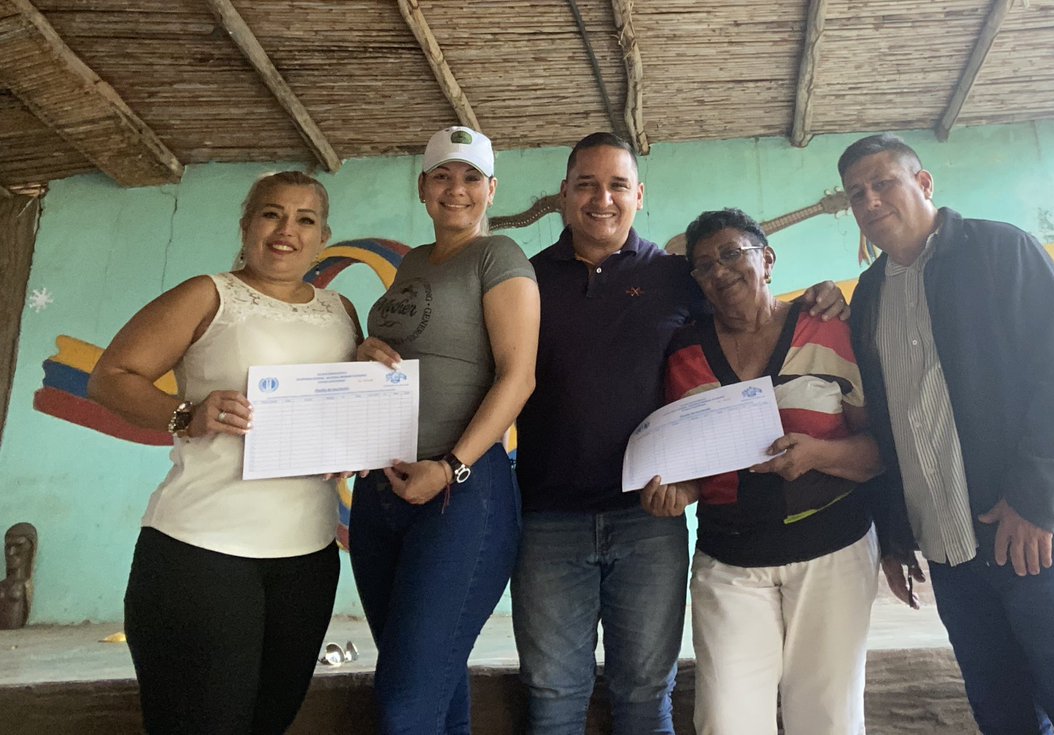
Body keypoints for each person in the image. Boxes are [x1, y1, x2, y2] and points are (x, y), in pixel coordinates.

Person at [511, 132, 849, 735]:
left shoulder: (677, 278)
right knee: (552, 695)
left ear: (639, 195)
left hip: (650, 520)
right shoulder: (524, 282)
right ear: (563, 194)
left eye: (617, 185)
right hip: (547, 521)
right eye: (586, 184)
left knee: (644, 694)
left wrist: (824, 296)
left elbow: (750, 308)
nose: (602, 199)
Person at [839, 133, 1054, 734]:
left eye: (883, 183)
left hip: (1046, 537)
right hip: (953, 552)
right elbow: (893, 426)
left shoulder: (1003, 251)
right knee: (1003, 719)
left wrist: (1036, 501)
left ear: (923, 184)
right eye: (856, 194)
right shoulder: (868, 297)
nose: (869, 202)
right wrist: (895, 536)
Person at [88, 171, 361, 734]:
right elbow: (111, 377)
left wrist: (356, 437)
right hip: (202, 550)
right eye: (271, 214)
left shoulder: (342, 310)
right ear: (246, 225)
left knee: (270, 719)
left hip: (309, 554)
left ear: (322, 235)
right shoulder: (208, 293)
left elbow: (343, 408)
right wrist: (187, 415)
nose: (287, 230)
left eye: (305, 219)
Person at [641, 208, 881, 734]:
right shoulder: (684, 352)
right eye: (703, 265)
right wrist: (677, 491)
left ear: (767, 260)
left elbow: (879, 451)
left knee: (828, 720)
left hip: (833, 554)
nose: (720, 271)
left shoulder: (829, 330)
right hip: (731, 563)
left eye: (732, 254)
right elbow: (689, 465)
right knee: (726, 722)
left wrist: (818, 455)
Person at [349, 125, 539, 734]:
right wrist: (363, 352)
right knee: (432, 678)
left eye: (470, 178)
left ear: (491, 190)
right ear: (423, 188)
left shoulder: (499, 256)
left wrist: (451, 466)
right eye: (442, 176)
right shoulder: (411, 261)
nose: (455, 190)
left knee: (405, 704)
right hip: (383, 492)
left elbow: (518, 378)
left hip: (460, 492)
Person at [0, 522, 37, 629]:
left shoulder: (25, 584)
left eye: (19, 546)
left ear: (30, 548)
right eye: (8, 547)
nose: (11, 552)